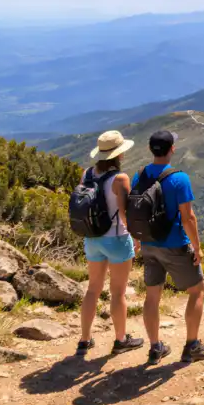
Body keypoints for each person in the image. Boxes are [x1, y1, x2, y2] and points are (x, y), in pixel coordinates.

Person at [135, 131, 204, 365]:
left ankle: (155, 347)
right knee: (198, 290)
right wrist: (197, 247)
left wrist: (138, 239)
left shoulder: (139, 175)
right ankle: (192, 345)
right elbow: (188, 217)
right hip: (174, 244)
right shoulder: (179, 179)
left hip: (149, 245)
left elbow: (135, 211)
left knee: (152, 296)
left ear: (151, 149)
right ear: (172, 149)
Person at [77, 131, 145, 357]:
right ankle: (120, 339)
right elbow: (125, 214)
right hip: (116, 238)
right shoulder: (120, 179)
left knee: (92, 290)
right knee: (118, 293)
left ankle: (85, 340)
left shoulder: (86, 174)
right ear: (119, 154)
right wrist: (136, 237)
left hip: (92, 237)